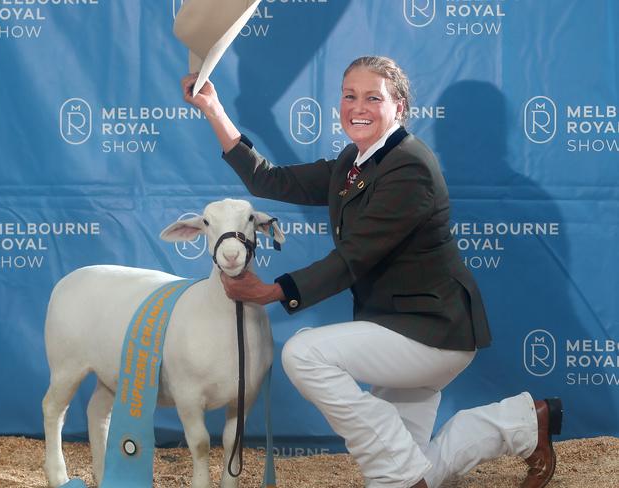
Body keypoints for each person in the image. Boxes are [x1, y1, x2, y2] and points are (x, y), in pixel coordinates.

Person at [180, 56, 562, 488]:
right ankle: (527, 422)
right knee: (406, 474)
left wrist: (270, 291)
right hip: (399, 327)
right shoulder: (354, 161)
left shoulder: (410, 167)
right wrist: (214, 110)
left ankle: (402, 472)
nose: (357, 106)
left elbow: (353, 259)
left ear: (399, 107)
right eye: (349, 95)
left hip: (433, 332)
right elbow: (272, 181)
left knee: (304, 355)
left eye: (372, 97)